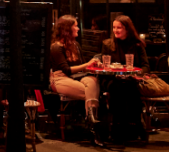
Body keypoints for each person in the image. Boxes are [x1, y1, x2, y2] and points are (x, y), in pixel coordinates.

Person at [49, 15, 103, 144]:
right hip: (60, 79)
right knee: (92, 92)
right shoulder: (56, 47)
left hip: (77, 77)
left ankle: (91, 121)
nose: (78, 28)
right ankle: (93, 124)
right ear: (67, 29)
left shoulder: (75, 45)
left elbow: (83, 68)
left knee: (93, 81)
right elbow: (67, 70)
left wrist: (93, 66)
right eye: (75, 26)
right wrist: (88, 64)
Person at [101, 15, 150, 143]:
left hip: (132, 79)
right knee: (119, 86)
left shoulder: (137, 45)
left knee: (129, 86)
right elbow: (105, 67)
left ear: (127, 29)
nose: (116, 30)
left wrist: (138, 74)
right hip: (113, 79)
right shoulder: (107, 44)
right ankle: (126, 126)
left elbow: (145, 66)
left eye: (119, 28)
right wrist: (115, 73)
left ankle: (129, 125)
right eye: (114, 27)